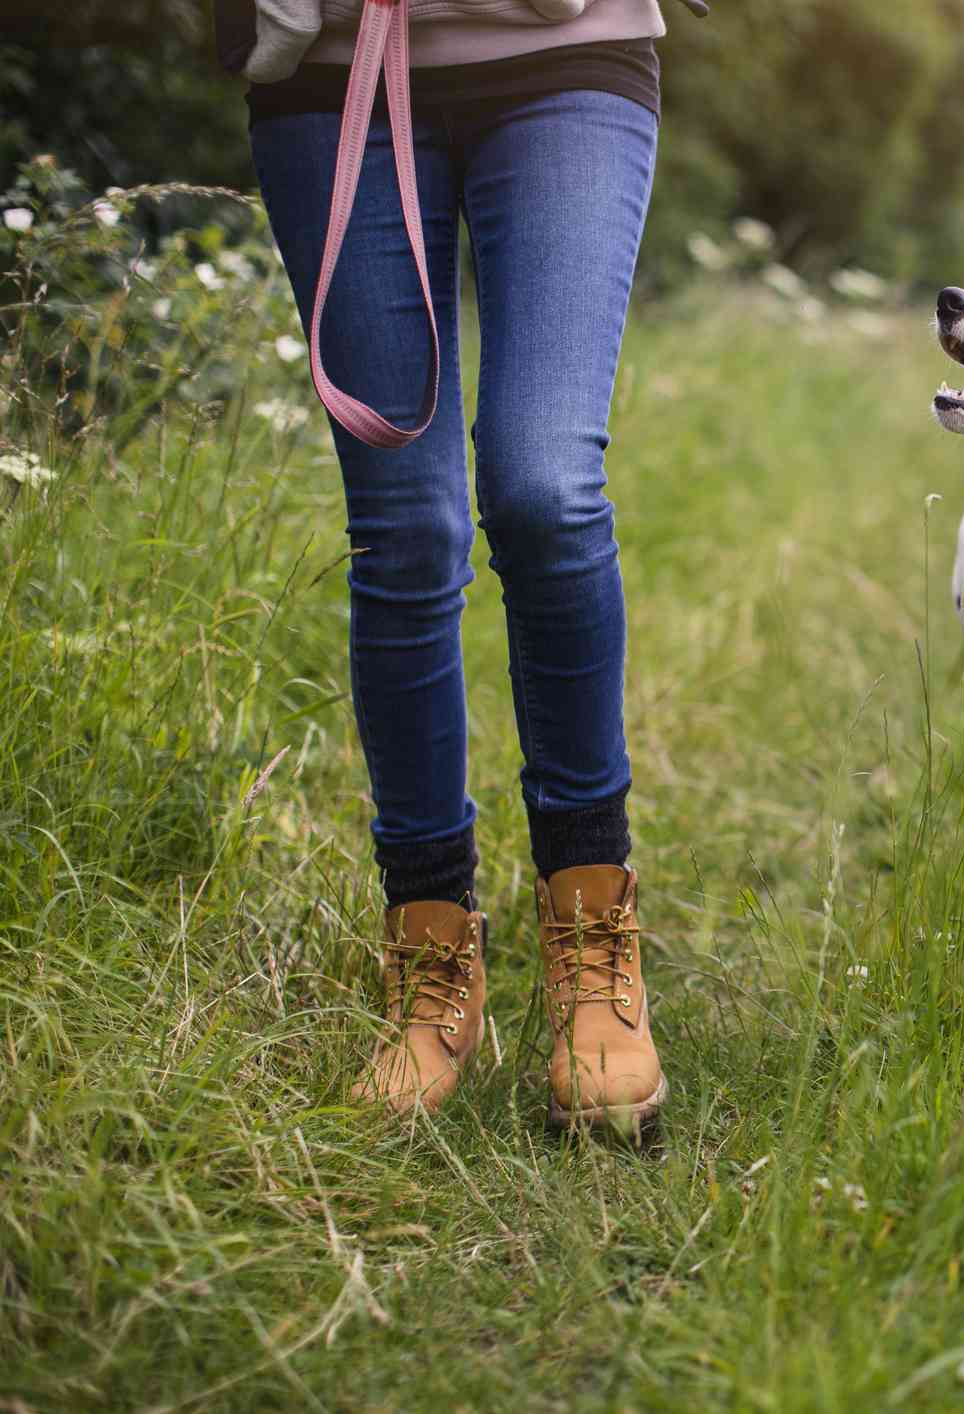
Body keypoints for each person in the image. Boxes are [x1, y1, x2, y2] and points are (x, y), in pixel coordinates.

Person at [214, 0, 703, 1135]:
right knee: (405, 524)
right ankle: (430, 948)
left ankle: (591, 933)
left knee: (544, 487)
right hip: (330, 74)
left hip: (565, 55)